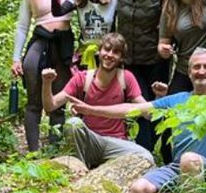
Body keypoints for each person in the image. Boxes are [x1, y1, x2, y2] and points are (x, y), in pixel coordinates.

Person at [70, 48, 206, 193]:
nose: (201, 71)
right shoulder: (177, 100)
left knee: (189, 159)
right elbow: (132, 109)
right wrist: (90, 109)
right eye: (196, 67)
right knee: (139, 191)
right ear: (189, 73)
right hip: (178, 170)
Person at [12, 0, 94, 152]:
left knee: (58, 97)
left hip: (64, 42)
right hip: (39, 41)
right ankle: (34, 151)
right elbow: (22, 27)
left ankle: (55, 150)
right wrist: (16, 58)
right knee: (34, 98)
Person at [40, 32, 153, 169]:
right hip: (90, 140)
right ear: (99, 51)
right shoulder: (82, 78)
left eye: (116, 52)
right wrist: (47, 82)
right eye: (106, 49)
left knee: (146, 157)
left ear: (121, 58)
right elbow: (50, 106)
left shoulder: (126, 78)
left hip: (116, 143)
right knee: (73, 124)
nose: (110, 55)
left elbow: (148, 113)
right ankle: (80, 169)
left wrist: (160, 97)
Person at [114, 0, 167, 152]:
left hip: (154, 61)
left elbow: (169, 19)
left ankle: (150, 151)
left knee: (151, 106)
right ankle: (142, 150)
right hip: (129, 60)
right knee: (137, 107)